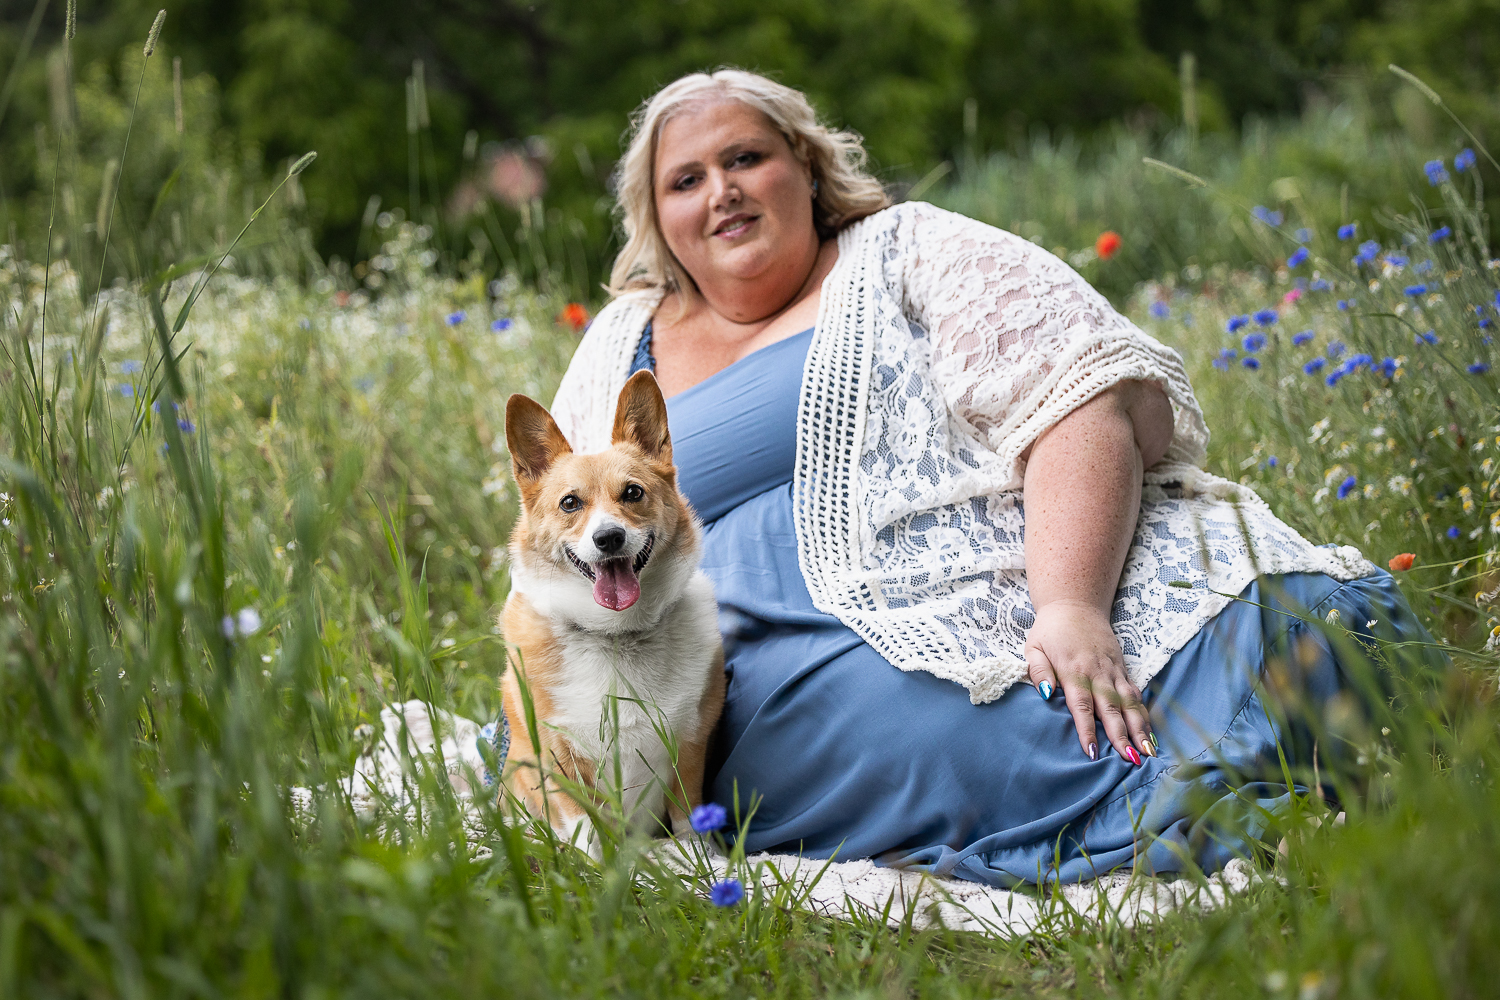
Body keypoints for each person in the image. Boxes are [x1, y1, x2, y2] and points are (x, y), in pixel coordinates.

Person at [546, 70, 1430, 886]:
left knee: (1303, 621)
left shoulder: (904, 249)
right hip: (735, 679)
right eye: (686, 179)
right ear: (656, 218)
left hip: (1000, 586)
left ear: (807, 170)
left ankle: (1322, 755)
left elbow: (1087, 389)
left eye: (747, 158)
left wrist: (1071, 606)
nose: (722, 191)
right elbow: (559, 538)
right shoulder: (622, 339)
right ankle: (1223, 809)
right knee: (969, 738)